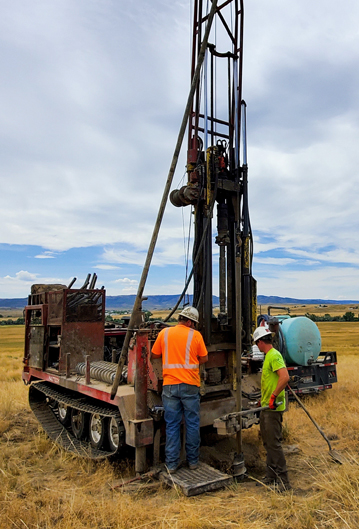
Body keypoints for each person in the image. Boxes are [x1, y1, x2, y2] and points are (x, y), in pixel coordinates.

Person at [151, 306, 208, 473]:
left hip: (169, 387)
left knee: (172, 425)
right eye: (194, 323)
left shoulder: (164, 334)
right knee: (192, 424)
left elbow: (153, 355)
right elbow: (204, 358)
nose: (194, 326)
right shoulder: (196, 336)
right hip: (190, 385)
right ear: (189, 321)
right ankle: (193, 462)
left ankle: (171, 464)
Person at [253, 326, 291, 491]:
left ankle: (283, 481)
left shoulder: (274, 355)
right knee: (268, 442)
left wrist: (273, 396)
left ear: (261, 342)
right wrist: (262, 399)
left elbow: (285, 377)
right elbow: (270, 381)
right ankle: (270, 475)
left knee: (274, 444)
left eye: (257, 344)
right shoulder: (268, 356)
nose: (257, 347)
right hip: (266, 406)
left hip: (273, 409)